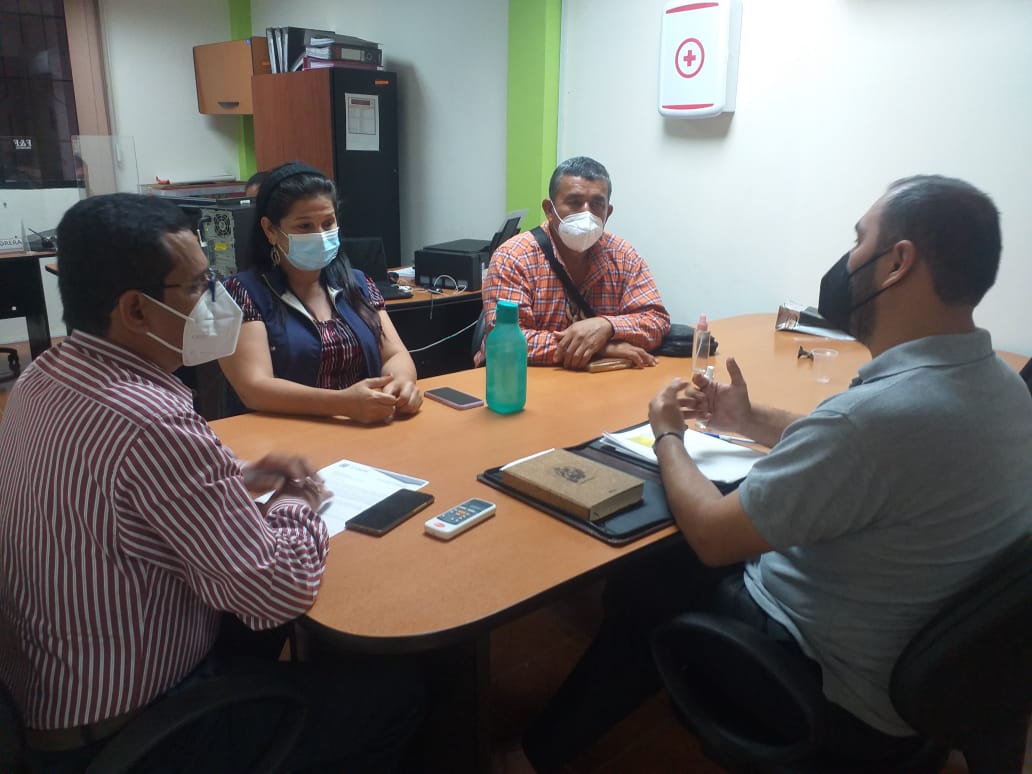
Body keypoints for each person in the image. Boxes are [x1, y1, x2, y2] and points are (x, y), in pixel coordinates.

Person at [520, 175, 1032, 769]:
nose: (848, 261)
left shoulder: (870, 421)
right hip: (926, 677)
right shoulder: (1003, 386)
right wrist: (747, 418)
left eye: (859, 241)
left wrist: (666, 433)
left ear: (897, 263)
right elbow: (860, 449)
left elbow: (713, 534)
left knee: (658, 569)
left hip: (825, 684)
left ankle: (532, 756)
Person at [0, 193, 425, 773]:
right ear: (136, 310)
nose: (214, 300)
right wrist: (299, 498)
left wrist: (237, 477)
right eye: (198, 286)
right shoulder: (150, 421)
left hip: (52, 694)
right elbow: (277, 591)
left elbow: (116, 491)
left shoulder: (43, 378)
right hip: (139, 730)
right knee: (400, 693)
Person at [219, 162, 421, 422]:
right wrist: (344, 403)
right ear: (270, 230)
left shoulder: (357, 283)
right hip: (285, 435)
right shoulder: (242, 292)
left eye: (328, 223)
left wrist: (401, 384)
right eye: (304, 226)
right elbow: (254, 388)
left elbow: (395, 353)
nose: (321, 235)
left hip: (363, 426)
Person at [476, 156, 670, 370]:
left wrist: (606, 326)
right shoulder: (513, 257)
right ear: (549, 210)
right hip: (519, 379)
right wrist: (599, 347)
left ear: (608, 212)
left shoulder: (623, 256)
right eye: (575, 202)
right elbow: (507, 343)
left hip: (599, 382)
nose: (586, 213)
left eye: (597, 204)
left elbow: (656, 321)